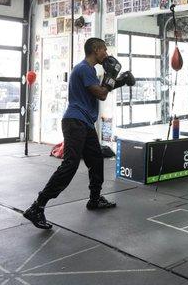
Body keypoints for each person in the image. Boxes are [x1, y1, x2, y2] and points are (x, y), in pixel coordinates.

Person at [23, 38, 135, 230]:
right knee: (70, 165)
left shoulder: (89, 70)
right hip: (75, 122)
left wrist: (120, 81)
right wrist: (111, 76)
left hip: (84, 123)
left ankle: (95, 199)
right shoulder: (83, 68)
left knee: (96, 159)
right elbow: (101, 93)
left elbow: (99, 90)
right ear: (95, 49)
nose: (106, 54)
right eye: (104, 50)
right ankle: (37, 206)